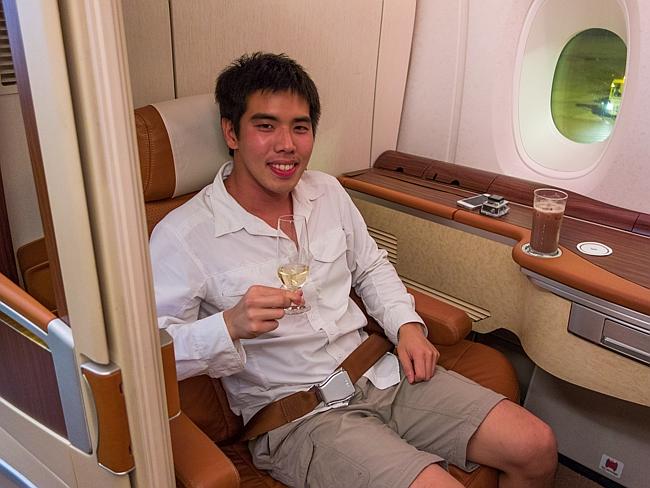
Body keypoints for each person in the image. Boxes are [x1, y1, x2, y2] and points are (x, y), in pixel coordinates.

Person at [150, 52, 557, 488]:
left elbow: (371, 267)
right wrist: (228, 325)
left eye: (300, 127)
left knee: (536, 445)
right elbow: (152, 354)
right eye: (265, 126)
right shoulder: (183, 235)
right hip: (300, 415)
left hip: (381, 371)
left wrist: (407, 326)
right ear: (232, 132)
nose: (287, 144)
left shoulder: (327, 192)